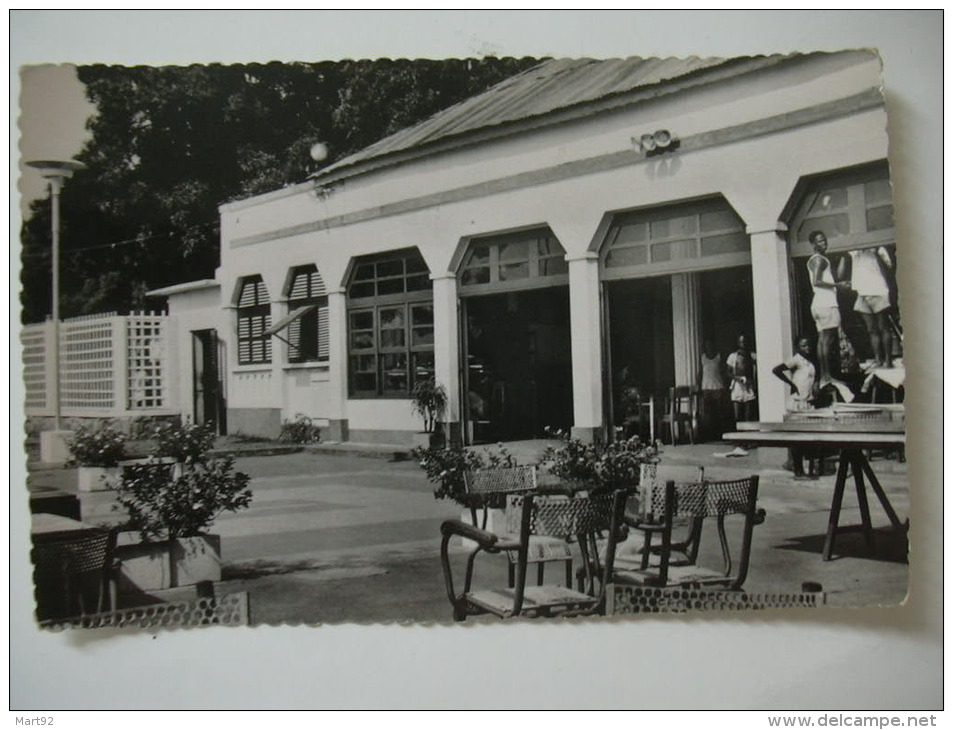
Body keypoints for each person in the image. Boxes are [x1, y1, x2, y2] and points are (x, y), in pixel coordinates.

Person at [807, 231, 854, 402]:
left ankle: (825, 375)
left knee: (823, 340)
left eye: (824, 239)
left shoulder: (818, 259)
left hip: (819, 304)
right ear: (813, 244)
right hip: (826, 303)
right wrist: (838, 285)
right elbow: (817, 282)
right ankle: (826, 376)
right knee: (827, 340)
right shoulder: (818, 259)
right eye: (819, 240)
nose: (823, 242)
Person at [838, 246, 895, 368]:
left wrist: (876, 252)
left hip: (879, 290)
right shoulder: (854, 250)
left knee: (883, 327)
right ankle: (878, 360)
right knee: (871, 330)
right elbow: (840, 274)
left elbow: (889, 267)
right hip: (862, 293)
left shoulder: (879, 248)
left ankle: (888, 361)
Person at [773, 335, 820, 479]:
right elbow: (777, 370)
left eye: (808, 345)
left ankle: (804, 468)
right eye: (803, 346)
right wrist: (791, 384)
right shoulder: (796, 359)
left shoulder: (812, 360)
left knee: (808, 438)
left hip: (808, 403)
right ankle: (798, 471)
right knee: (796, 439)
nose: (807, 348)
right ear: (798, 347)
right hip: (797, 403)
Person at [697, 339, 726, 439]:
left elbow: (722, 371)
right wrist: (699, 386)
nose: (709, 347)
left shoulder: (718, 357)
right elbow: (700, 373)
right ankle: (709, 433)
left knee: (719, 411)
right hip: (706, 388)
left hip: (718, 387)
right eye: (707, 345)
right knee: (708, 412)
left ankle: (719, 433)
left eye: (711, 345)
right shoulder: (703, 358)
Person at [726, 334, 757, 425]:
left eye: (745, 341)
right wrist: (737, 378)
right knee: (737, 415)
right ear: (738, 343)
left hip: (749, 385)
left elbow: (755, 371)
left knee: (749, 414)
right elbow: (728, 372)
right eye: (741, 342)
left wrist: (754, 383)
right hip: (737, 385)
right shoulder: (733, 356)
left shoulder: (753, 355)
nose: (743, 343)